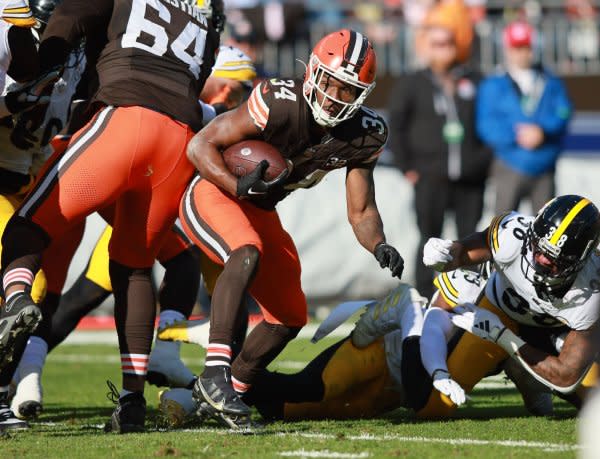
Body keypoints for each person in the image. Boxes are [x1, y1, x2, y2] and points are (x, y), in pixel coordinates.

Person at [0, 0, 221, 433]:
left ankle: (19, 319)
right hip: (176, 135)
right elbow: (200, 70)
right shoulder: (202, 10)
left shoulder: (71, 47)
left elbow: (73, 19)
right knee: (133, 266)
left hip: (116, 128)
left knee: (28, 241)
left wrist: (42, 67)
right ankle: (132, 398)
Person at [182, 29, 404, 429]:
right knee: (246, 251)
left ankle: (232, 389)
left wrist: (379, 244)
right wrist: (237, 184)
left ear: (364, 95)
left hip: (261, 208)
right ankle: (215, 374)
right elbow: (200, 146)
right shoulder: (279, 102)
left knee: (289, 314)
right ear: (312, 73)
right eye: (331, 82)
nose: (335, 95)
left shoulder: (366, 134)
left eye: (348, 90)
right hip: (217, 192)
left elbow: (362, 210)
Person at [157, 270, 554, 424]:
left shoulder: (511, 321)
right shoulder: (472, 287)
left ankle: (199, 390)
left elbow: (516, 362)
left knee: (288, 410)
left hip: (394, 387)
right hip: (380, 353)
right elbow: (433, 326)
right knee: (308, 391)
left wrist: (537, 392)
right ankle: (211, 365)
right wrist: (439, 373)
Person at [421, 194, 600, 417]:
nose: (542, 260)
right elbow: (463, 253)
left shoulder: (592, 290)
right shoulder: (511, 233)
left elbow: (566, 376)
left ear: (581, 259)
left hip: (544, 333)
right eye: (539, 248)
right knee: (433, 407)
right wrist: (445, 254)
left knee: (595, 406)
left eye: (555, 259)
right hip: (499, 313)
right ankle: (519, 368)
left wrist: (503, 337)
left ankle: (523, 372)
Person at [388, 0, 491, 298]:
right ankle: (423, 295)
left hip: (470, 178)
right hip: (429, 175)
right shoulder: (413, 83)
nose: (443, 49)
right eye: (437, 44)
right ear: (427, 47)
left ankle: (469, 295)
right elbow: (396, 126)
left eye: (448, 43)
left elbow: (491, 123)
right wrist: (407, 167)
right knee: (428, 239)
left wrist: (482, 162)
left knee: (469, 240)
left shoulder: (473, 80)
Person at [0, 0, 57, 432]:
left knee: (27, 293)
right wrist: (12, 103)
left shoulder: (72, 58)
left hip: (25, 185)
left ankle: (5, 391)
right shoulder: (9, 34)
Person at [476, 20, 572, 215]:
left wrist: (543, 131)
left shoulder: (550, 81)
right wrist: (516, 135)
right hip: (509, 162)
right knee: (503, 228)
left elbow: (564, 111)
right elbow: (486, 124)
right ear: (507, 49)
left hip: (544, 163)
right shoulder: (493, 84)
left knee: (547, 230)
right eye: (516, 47)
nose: (522, 53)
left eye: (525, 47)